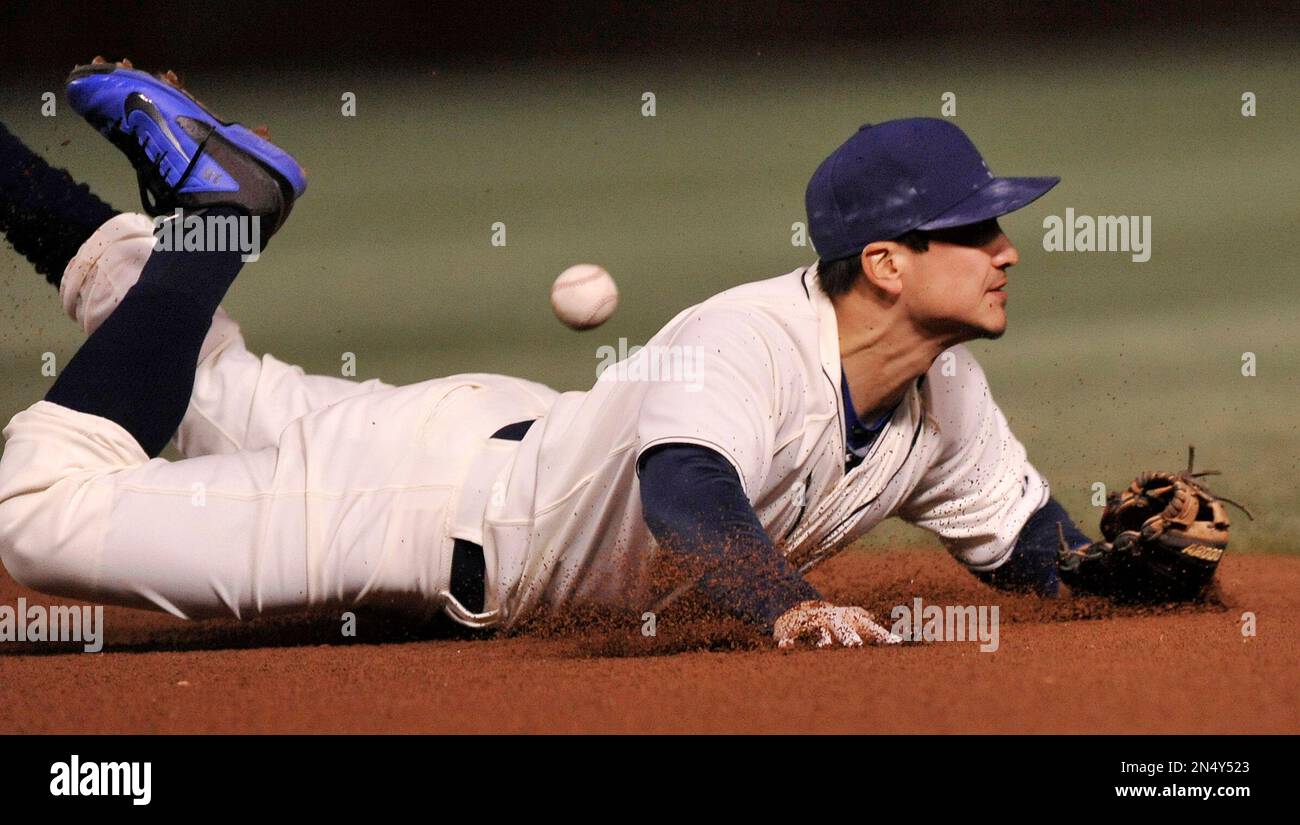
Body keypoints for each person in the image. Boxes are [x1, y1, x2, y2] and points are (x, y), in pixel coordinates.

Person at [0, 60, 1093, 650]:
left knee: (194, 371)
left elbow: (1029, 547)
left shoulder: (942, 388)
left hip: (481, 442)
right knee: (39, 516)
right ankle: (218, 207)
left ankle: (198, 211)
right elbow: (687, 490)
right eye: (974, 230)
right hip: (410, 505)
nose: (1004, 249)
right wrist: (784, 605)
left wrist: (1132, 564)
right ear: (888, 263)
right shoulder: (749, 338)